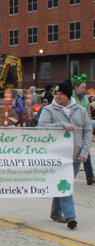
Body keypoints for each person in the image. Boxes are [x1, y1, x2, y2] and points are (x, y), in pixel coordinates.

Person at [38, 81, 92, 229]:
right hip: (58, 155)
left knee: (62, 183)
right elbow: (41, 127)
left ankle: (55, 211)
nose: (58, 96)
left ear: (68, 95)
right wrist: (62, 125)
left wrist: (84, 152)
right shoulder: (48, 110)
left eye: (61, 94)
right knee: (65, 183)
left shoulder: (80, 110)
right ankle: (70, 216)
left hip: (76, 155)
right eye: (56, 94)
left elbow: (87, 131)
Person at [70, 74, 95, 185]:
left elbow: (88, 114)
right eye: (82, 87)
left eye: (85, 87)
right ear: (76, 87)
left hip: (83, 128)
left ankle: (90, 177)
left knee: (86, 152)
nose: (84, 89)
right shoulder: (71, 98)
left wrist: (89, 126)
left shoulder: (85, 99)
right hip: (73, 130)